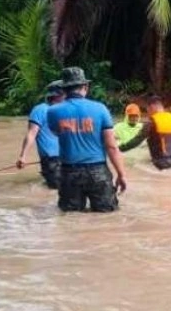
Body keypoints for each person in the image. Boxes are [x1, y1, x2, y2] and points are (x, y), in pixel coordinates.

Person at [47, 67, 127, 212]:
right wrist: (121, 174)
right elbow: (112, 147)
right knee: (107, 216)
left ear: (64, 90)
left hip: (69, 172)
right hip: (98, 171)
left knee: (70, 217)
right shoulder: (101, 109)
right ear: (85, 87)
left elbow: (56, 133)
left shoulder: (53, 111)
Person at [16, 80, 65, 189]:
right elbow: (31, 133)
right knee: (56, 188)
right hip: (51, 159)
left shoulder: (65, 110)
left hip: (66, 157)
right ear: (58, 96)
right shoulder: (40, 110)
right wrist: (23, 156)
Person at [119, 96, 171, 170]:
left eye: (147, 110)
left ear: (151, 107)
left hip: (160, 165)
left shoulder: (151, 122)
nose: (148, 113)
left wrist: (117, 149)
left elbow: (136, 141)